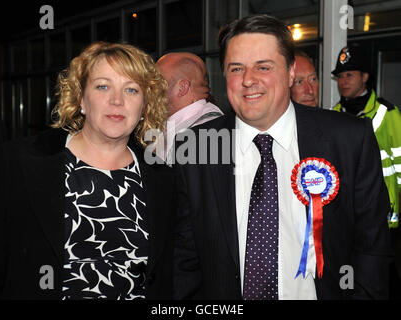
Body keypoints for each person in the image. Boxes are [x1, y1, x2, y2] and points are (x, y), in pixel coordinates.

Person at [173, 14, 392, 300]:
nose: (248, 80)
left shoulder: (349, 139)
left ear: (290, 72)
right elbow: (185, 261)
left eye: (263, 67)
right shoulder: (196, 149)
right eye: (236, 68)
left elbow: (371, 249)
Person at [0, 41, 176, 299]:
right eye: (103, 86)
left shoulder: (165, 180)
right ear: (81, 98)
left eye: (132, 90)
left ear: (145, 105)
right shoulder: (18, 163)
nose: (117, 101)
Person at [332, 45, 401, 229]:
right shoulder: (334, 114)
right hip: (347, 217)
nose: (343, 81)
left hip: (383, 215)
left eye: (349, 75)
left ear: (364, 77)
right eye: (340, 76)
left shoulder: (387, 113)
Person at [155, 52, 223, 162]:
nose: (149, 91)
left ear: (182, 88)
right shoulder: (189, 126)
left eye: (157, 84)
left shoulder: (207, 134)